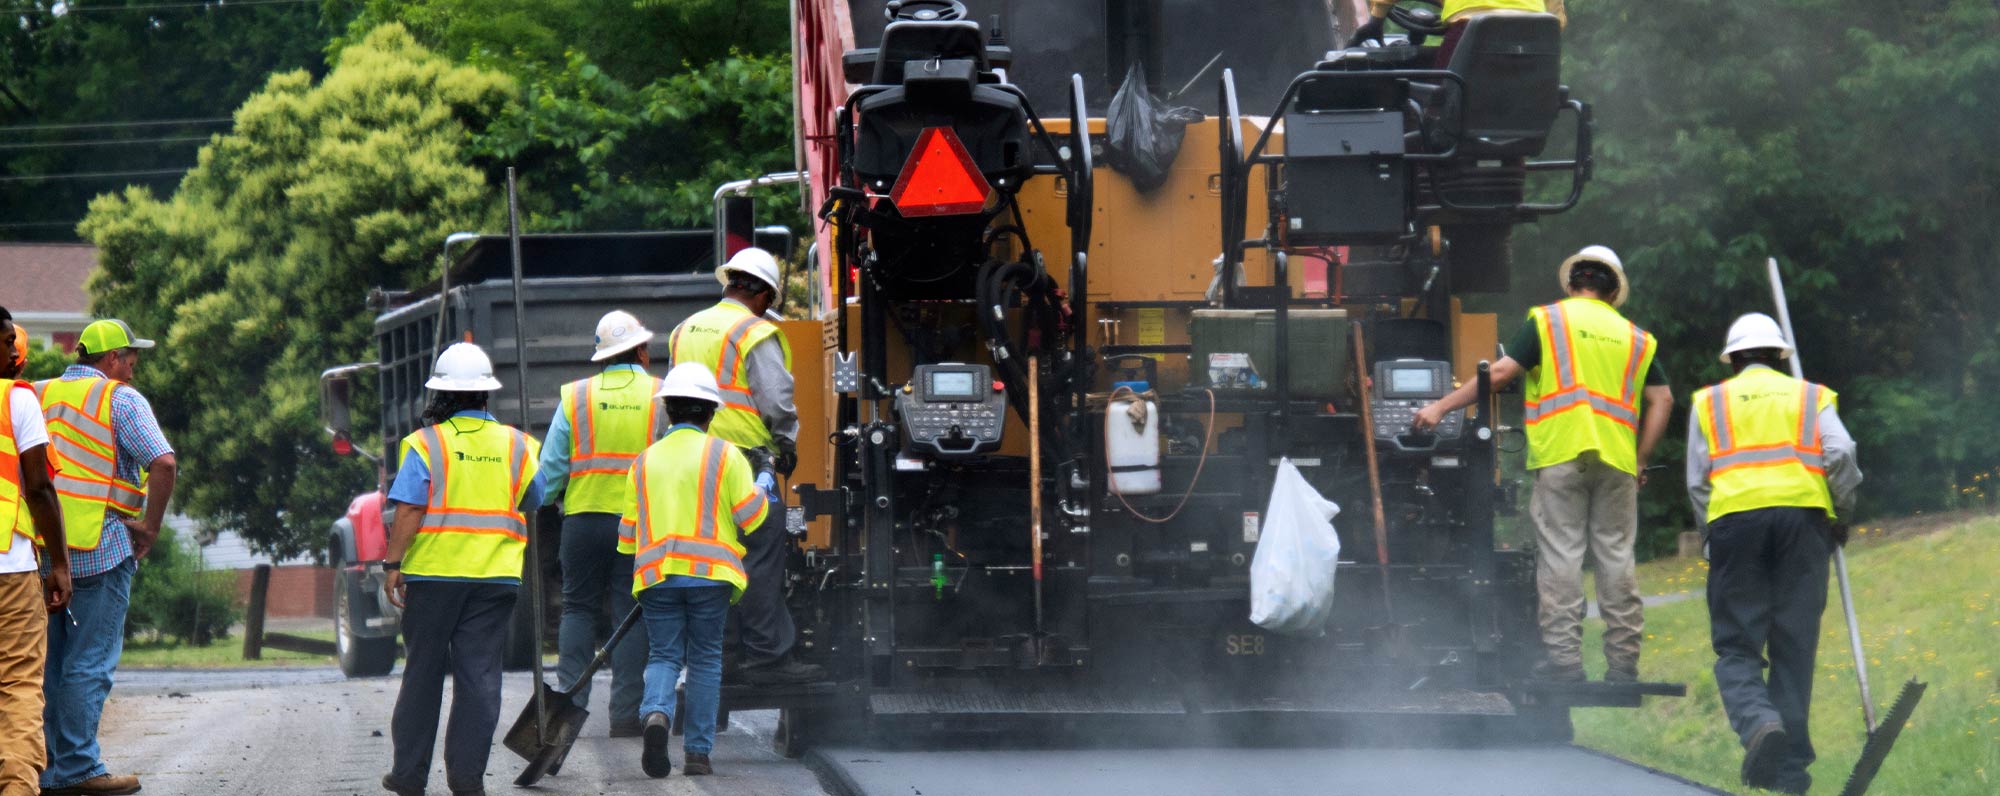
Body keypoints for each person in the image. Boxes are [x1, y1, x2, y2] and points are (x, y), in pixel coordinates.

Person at [1414, 245, 1672, 682]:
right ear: (1614, 292)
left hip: (1561, 456)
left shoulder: (1549, 321)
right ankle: (1623, 664)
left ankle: (1566, 664)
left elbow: (1499, 374)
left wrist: (1440, 407)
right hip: (1617, 462)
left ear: (1572, 284)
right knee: (1615, 557)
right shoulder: (1637, 338)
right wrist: (1641, 460)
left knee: (1562, 557)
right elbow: (1662, 400)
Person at [1688, 313, 1860, 795]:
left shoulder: (1710, 402)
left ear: (1733, 360)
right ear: (1780, 357)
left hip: (1735, 526)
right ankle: (1790, 773)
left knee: (1736, 645)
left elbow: (1698, 482)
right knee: (1794, 645)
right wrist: (1840, 514)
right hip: (1803, 526)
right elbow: (1841, 453)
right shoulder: (1810, 395)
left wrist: (1710, 539)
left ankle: (1760, 723)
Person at [379, 342, 544, 796]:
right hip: (494, 579)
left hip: (434, 577)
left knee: (423, 675)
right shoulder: (517, 444)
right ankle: (467, 779)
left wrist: (393, 564)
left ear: (441, 394)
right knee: (479, 679)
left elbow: (409, 509)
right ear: (486, 393)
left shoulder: (426, 443)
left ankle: (409, 775)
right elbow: (535, 498)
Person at [667, 247, 822, 685]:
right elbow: (775, 399)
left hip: (693, 461)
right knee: (761, 553)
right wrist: (786, 442)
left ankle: (723, 653)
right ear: (764, 295)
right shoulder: (753, 332)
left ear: (731, 283)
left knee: (713, 558)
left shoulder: (684, 329)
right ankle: (767, 654)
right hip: (745, 463)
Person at [40, 319, 176, 796]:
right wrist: (151, 527)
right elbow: (163, 462)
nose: (133, 370)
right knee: (89, 662)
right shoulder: (120, 399)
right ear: (112, 358)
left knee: (48, 666)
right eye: (131, 360)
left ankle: (46, 769)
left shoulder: (37, 394)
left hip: (41, 551)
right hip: (101, 547)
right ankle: (78, 768)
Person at [618, 363, 769, 778]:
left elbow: (627, 536)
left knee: (664, 655)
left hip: (657, 577)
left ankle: (656, 714)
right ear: (711, 412)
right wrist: (765, 481)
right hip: (710, 577)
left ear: (668, 409)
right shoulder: (725, 455)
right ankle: (698, 754)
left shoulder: (643, 462)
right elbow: (751, 516)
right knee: (704, 659)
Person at [542, 310, 660, 738]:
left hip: (583, 521)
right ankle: (625, 714)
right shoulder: (661, 395)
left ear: (602, 356)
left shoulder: (576, 397)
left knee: (577, 609)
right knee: (631, 614)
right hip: (639, 524)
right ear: (641, 351)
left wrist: (539, 502)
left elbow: (551, 469)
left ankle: (569, 710)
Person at [1, 313, 69, 796]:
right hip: (10, 568)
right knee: (21, 684)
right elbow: (40, 488)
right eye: (6, 342)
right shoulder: (16, 399)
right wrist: (59, 563)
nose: (14, 352)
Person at [1354, 0, 1566, 63]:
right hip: (1531, 37)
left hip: (1470, 31)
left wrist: (1376, 20)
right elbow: (1557, 20)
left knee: (1441, 101)